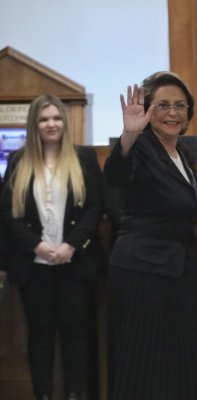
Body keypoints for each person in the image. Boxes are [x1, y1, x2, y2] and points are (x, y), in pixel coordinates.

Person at [103, 71, 197, 399]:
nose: (172, 113)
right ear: (148, 111)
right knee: (146, 364)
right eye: (163, 105)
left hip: (176, 272)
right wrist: (128, 136)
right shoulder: (141, 147)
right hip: (142, 274)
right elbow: (116, 176)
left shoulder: (183, 155)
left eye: (180, 105)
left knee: (175, 362)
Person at [0, 94, 103, 400]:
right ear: (35, 124)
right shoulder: (19, 160)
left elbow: (95, 207)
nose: (51, 124)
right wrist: (37, 246)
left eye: (56, 118)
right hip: (35, 267)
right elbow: (7, 212)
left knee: (76, 336)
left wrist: (71, 245)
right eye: (44, 119)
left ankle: (75, 394)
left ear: (65, 122)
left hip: (74, 264)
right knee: (40, 338)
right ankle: (42, 395)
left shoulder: (83, 157)